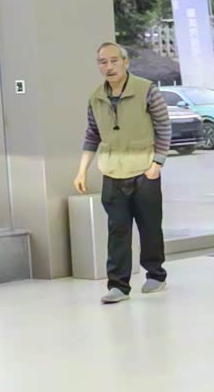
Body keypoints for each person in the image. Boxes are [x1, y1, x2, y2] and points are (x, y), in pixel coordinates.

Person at [73, 42, 172, 304]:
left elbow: (164, 127)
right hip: (112, 173)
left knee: (150, 227)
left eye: (114, 61)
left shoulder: (146, 90)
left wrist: (157, 164)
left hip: (144, 171)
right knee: (117, 231)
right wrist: (82, 171)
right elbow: (92, 135)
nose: (109, 66)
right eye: (103, 62)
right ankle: (118, 285)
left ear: (126, 62)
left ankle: (156, 274)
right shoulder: (96, 97)